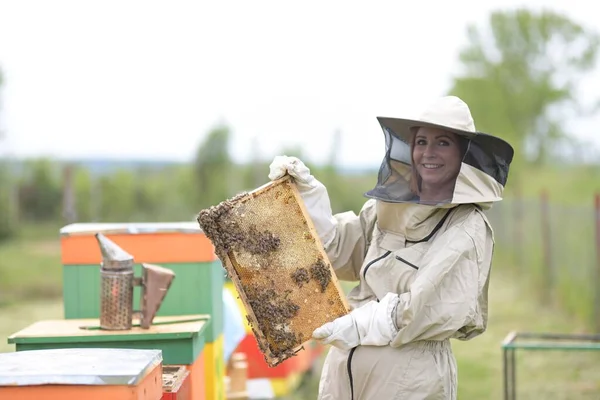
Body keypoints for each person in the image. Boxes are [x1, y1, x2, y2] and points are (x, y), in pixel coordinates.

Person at [267, 95, 514, 400]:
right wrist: (309, 201)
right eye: (421, 141)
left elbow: (428, 308)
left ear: (464, 153)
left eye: (443, 143)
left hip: (408, 381)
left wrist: (361, 323)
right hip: (344, 374)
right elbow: (338, 252)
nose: (428, 153)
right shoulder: (387, 206)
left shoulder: (466, 225)